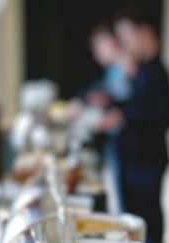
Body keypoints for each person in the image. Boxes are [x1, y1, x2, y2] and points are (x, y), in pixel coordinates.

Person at [99, 8, 169, 243]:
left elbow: (164, 117)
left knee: (148, 214)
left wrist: (124, 117)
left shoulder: (157, 71)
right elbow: (132, 103)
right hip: (130, 154)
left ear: (144, 32)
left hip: (148, 157)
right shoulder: (139, 69)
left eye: (127, 36)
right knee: (132, 214)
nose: (126, 43)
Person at [70, 23, 135, 212]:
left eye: (100, 46)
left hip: (131, 145)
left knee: (130, 198)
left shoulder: (128, 67)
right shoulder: (113, 69)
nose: (97, 53)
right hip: (115, 141)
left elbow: (129, 102)